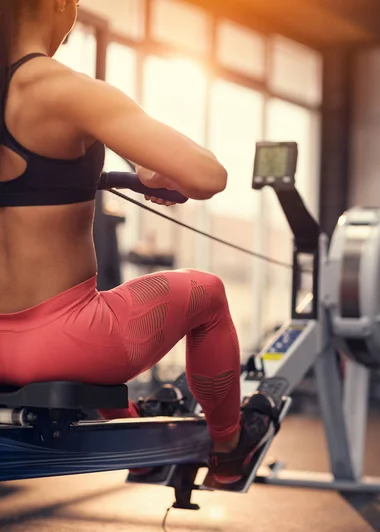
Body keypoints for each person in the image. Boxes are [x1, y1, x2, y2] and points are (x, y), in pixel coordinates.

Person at [0, 0, 273, 484]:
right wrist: (160, 170)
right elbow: (207, 175)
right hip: (66, 340)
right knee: (206, 292)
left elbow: (31, 179)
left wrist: (130, 174)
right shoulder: (61, 87)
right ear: (58, 4)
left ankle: (136, 440)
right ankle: (229, 449)